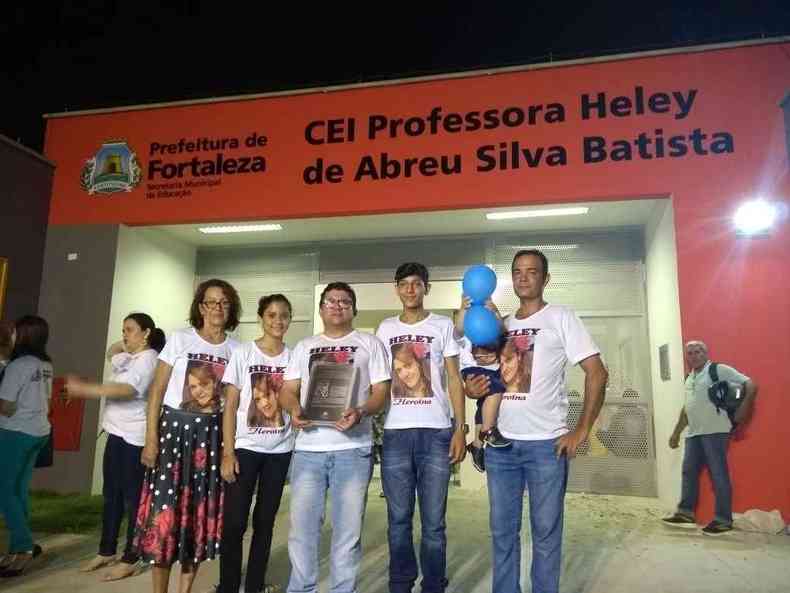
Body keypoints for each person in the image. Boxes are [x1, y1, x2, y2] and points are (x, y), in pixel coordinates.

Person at [466, 249, 607, 593]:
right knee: (502, 533)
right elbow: (488, 381)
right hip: (502, 445)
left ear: (545, 279)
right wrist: (474, 388)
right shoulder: (501, 327)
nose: (524, 277)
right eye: (517, 271)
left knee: (545, 533)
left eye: (532, 272)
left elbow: (597, 373)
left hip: (547, 445)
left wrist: (582, 429)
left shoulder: (560, 317)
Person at [279, 282, 390, 593]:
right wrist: (294, 409)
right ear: (321, 308)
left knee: (347, 533)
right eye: (331, 301)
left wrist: (361, 410)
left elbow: (381, 392)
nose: (337, 306)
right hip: (308, 451)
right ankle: (301, 589)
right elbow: (287, 390)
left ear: (353, 309)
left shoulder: (370, 344)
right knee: (302, 531)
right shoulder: (304, 347)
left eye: (344, 301)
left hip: (353, 451)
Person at [134, 279, 241, 593]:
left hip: (210, 442)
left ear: (231, 308)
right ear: (200, 307)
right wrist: (150, 439)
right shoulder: (180, 339)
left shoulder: (237, 349)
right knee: (164, 517)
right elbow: (156, 391)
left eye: (224, 302)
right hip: (172, 439)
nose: (217, 308)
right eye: (211, 302)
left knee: (195, 519)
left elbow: (235, 403)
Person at [375, 263, 466, 593]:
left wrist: (460, 428)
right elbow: (378, 380)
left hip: (437, 432)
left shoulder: (441, 325)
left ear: (426, 288)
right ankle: (400, 584)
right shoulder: (384, 329)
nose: (411, 289)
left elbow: (454, 379)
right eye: (405, 284)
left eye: (417, 284)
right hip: (396, 434)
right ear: (396, 288)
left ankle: (433, 586)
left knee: (433, 524)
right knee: (398, 521)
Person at [65, 313, 165, 581]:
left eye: (130, 330)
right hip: (115, 433)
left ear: (146, 333)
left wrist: (86, 390)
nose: (124, 335)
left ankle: (131, 557)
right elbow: (112, 352)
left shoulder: (149, 360)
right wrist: (127, 341)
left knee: (133, 499)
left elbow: (127, 390)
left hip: (135, 438)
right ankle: (106, 550)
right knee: (111, 495)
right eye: (123, 329)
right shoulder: (129, 356)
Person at [213, 294, 295, 593]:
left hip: (280, 451)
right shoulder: (244, 352)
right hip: (245, 450)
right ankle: (228, 586)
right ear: (262, 317)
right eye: (272, 315)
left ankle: (255, 585)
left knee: (265, 523)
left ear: (290, 319)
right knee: (234, 523)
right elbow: (231, 405)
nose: (278, 321)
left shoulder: (293, 356)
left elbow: (297, 399)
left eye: (284, 315)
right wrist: (228, 451)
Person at [662, 340, 758, 536]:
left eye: (698, 351)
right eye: (690, 353)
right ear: (686, 356)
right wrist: (676, 432)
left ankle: (723, 520)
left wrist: (743, 409)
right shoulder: (689, 378)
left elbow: (751, 384)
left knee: (718, 474)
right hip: (694, 433)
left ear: (706, 353)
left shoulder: (718, 370)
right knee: (688, 472)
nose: (695, 355)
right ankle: (686, 513)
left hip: (715, 431)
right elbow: (687, 408)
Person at [0, 316, 53, 578]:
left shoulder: (18, 365)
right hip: (38, 431)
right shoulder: (44, 364)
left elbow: (6, 406)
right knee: (18, 489)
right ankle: (18, 546)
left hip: (16, 432)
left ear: (22, 335)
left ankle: (22, 546)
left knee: (4, 491)